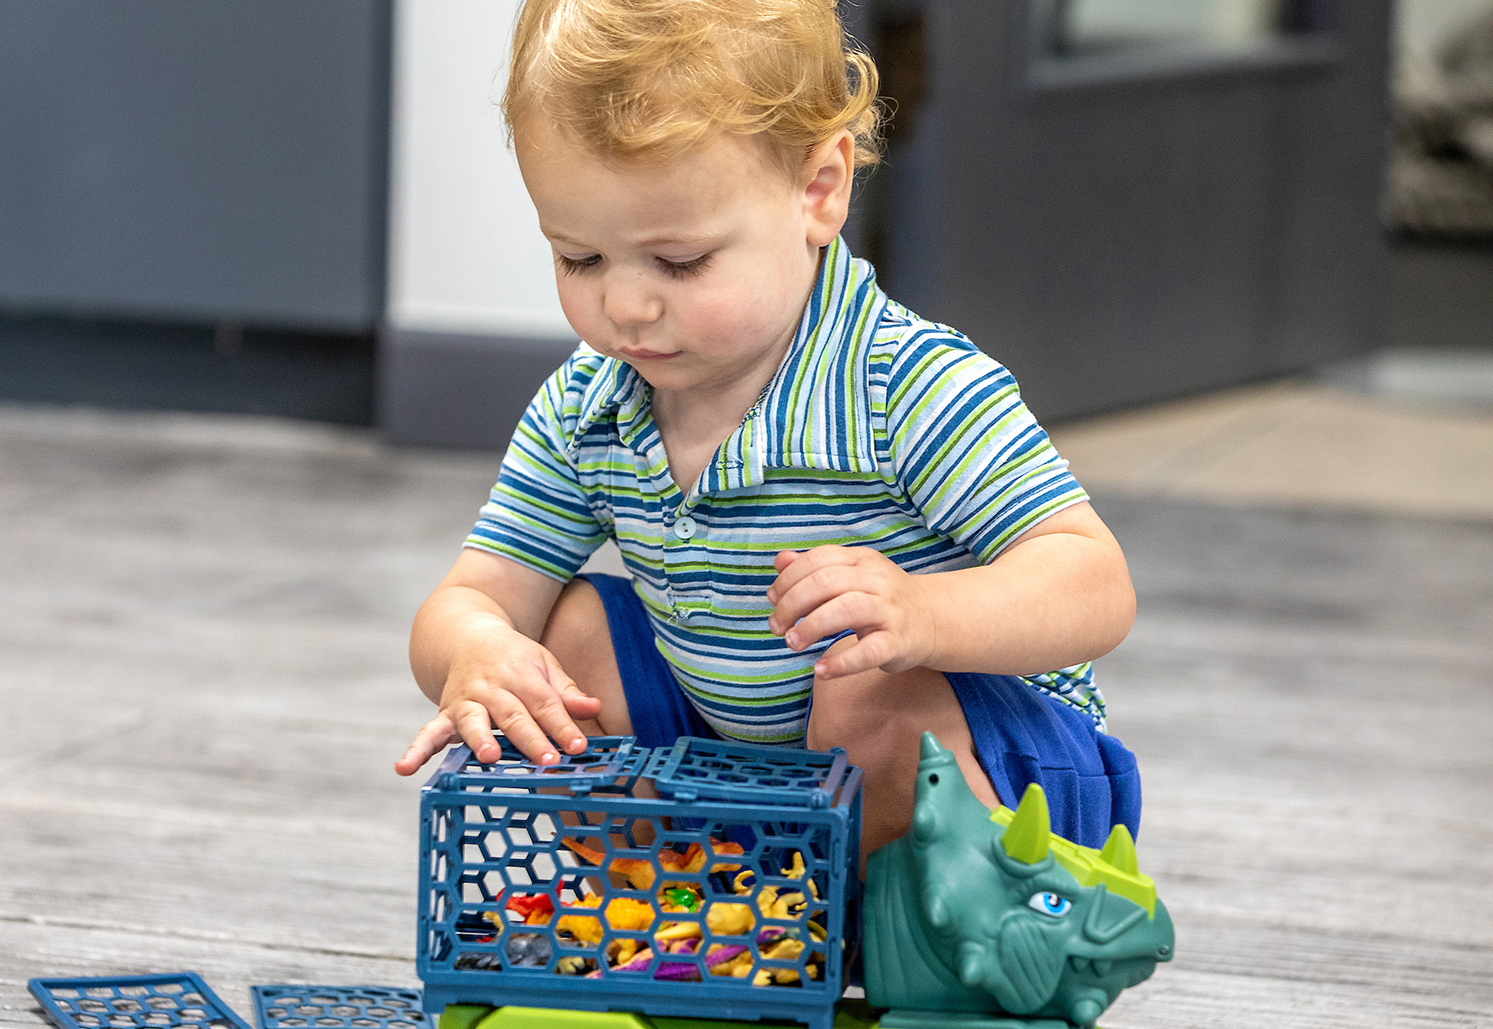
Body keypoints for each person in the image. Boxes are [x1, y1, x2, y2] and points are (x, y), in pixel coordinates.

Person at [393, 0, 1140, 858]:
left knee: (866, 684)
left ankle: (890, 923)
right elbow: (473, 596)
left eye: (680, 261)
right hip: (760, 776)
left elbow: (1095, 584)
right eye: (580, 258)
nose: (625, 305)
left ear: (818, 192)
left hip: (1010, 781)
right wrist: (478, 647)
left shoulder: (902, 383)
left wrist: (925, 612)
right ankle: (675, 913)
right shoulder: (587, 406)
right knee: (566, 635)